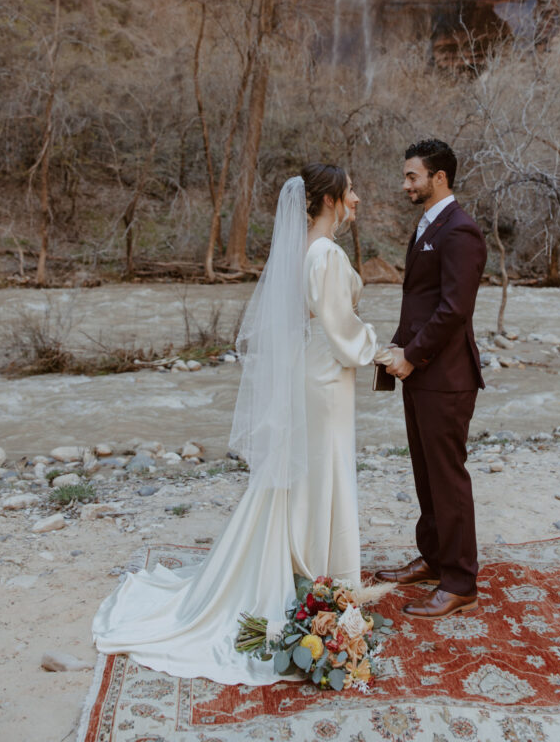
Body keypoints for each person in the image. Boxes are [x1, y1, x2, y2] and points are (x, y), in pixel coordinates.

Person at [92, 164, 378, 684]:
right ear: (332, 199)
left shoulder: (300, 252)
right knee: (325, 469)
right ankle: (319, 578)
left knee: (309, 472)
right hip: (325, 378)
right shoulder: (327, 254)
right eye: (351, 191)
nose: (357, 199)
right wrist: (380, 350)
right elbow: (341, 328)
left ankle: (308, 569)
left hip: (308, 374)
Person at [376, 139, 486, 619]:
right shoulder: (429, 225)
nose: (406, 185)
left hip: (445, 375)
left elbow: (453, 310)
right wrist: (397, 351)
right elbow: (418, 299)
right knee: (425, 473)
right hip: (421, 372)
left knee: (448, 477)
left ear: (439, 178)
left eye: (412, 177)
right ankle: (435, 558)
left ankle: (460, 581)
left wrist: (413, 356)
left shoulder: (461, 230)